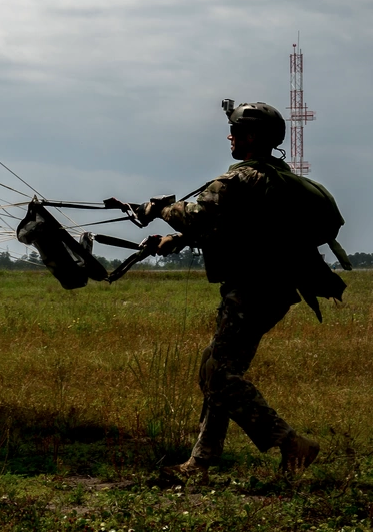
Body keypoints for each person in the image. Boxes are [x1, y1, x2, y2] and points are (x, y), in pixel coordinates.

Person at [130, 101, 328, 477]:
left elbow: (198, 216)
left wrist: (159, 209)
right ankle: (201, 460)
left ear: (251, 137)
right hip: (272, 289)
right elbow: (237, 232)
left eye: (235, 132)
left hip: (251, 291)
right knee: (218, 369)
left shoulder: (241, 181)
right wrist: (177, 240)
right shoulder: (275, 179)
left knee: (217, 374)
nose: (230, 137)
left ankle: (290, 443)